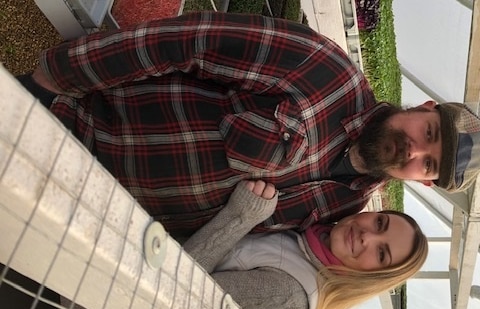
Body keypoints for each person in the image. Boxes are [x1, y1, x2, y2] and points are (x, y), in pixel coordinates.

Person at [15, 11, 480, 240]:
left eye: (429, 166)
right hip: (68, 127)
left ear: (423, 181)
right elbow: (185, 41)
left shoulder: (347, 206)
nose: (414, 152)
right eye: (430, 134)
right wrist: (57, 77)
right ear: (425, 106)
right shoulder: (326, 71)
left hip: (87, 218)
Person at [0, 181, 428, 309]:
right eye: (380, 221)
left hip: (78, 302)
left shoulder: (289, 297)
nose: (367, 235)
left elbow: (160, 302)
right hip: (91, 260)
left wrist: (240, 216)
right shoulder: (305, 241)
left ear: (372, 276)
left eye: (381, 252)